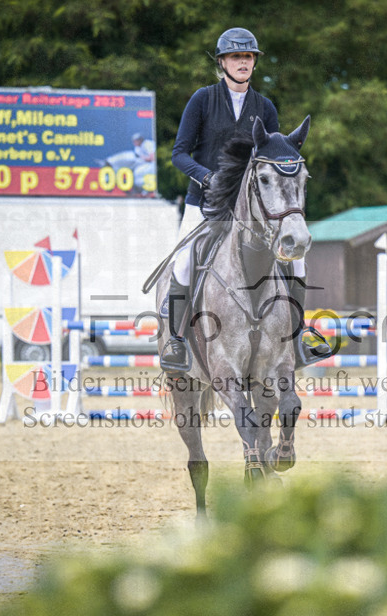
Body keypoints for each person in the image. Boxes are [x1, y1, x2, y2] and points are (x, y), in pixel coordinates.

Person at [161, 27, 330, 373]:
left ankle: (298, 337)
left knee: (295, 262)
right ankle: (176, 343)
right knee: (181, 263)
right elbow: (179, 153)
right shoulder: (202, 99)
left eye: (248, 57)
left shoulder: (264, 107)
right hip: (205, 204)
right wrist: (206, 177)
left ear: (254, 63)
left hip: (253, 211)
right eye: (236, 56)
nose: (243, 62)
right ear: (222, 62)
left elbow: (273, 156)